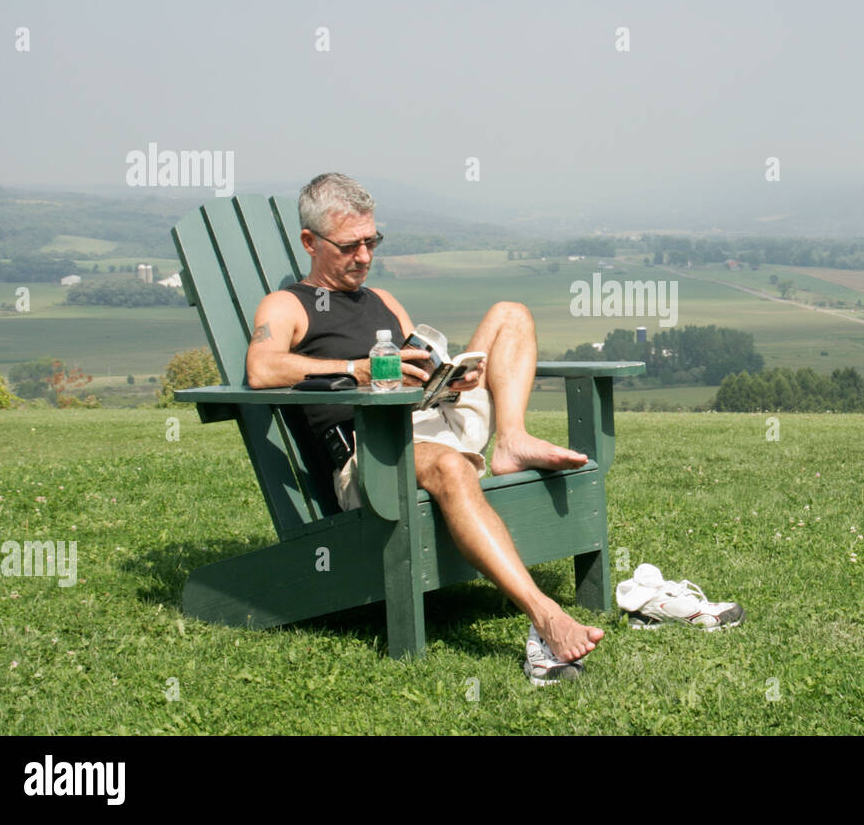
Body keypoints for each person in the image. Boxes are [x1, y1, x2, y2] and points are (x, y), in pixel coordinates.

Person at [245, 172, 603, 681]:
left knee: (511, 314)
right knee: (451, 469)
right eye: (350, 246)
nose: (365, 257)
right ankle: (545, 615)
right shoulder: (288, 306)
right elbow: (261, 368)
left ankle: (513, 439)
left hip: (432, 417)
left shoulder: (383, 300)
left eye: (372, 241)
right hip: (373, 454)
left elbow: (416, 366)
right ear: (310, 242)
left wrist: (450, 380)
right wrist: (354, 370)